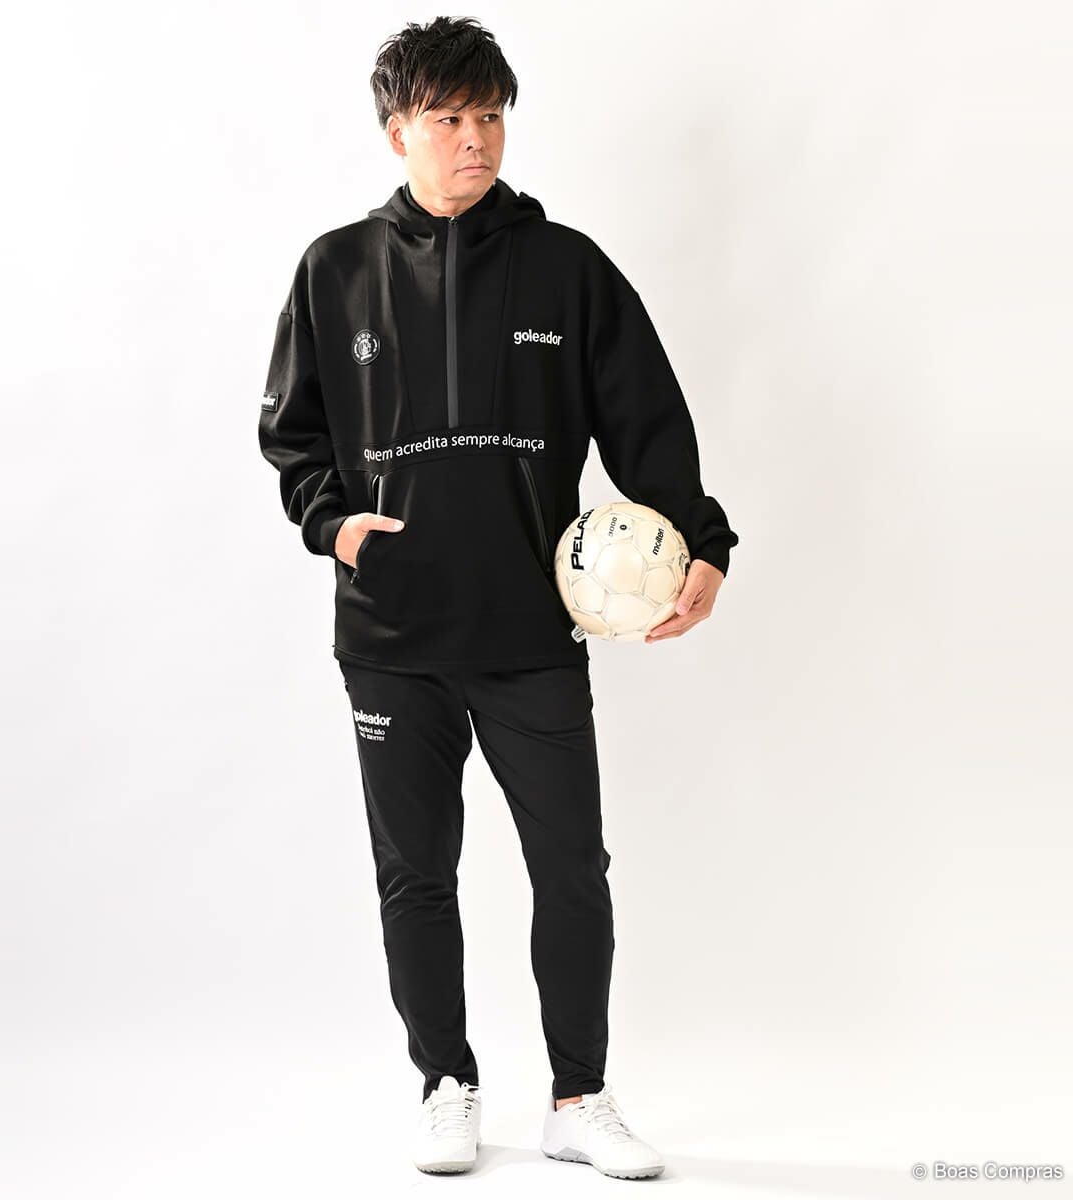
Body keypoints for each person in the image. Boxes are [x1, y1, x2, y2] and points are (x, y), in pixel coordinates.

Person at [258, 16, 738, 1179]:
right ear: (398, 132)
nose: (475, 138)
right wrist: (332, 523)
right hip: (391, 635)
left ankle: (580, 1098)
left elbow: (647, 423)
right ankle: (445, 1083)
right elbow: (292, 432)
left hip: (531, 633)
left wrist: (706, 543)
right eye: (448, 118)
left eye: (490, 115)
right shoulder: (334, 269)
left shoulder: (566, 267)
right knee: (417, 875)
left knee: (572, 869)